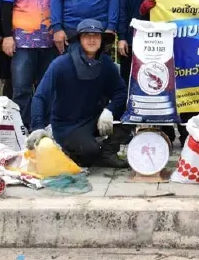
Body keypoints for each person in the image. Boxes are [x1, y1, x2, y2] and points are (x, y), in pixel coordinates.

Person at [31, 19, 129, 168]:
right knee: (89, 153)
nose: (92, 39)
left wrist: (110, 110)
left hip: (94, 119)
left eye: (96, 36)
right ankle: (71, 148)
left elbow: (121, 92)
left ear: (101, 40)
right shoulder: (60, 64)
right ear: (79, 39)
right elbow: (40, 96)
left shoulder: (106, 64)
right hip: (67, 126)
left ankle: (108, 152)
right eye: (87, 36)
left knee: (133, 112)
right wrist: (38, 126)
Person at [139, 0, 199, 145]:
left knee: (189, 88)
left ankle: (189, 131)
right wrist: (145, 9)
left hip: (190, 48)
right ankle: (166, 131)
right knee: (164, 86)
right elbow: (145, 17)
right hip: (163, 49)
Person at [0, 0, 57, 129]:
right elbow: (6, 5)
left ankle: (44, 128)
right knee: (22, 88)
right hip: (22, 41)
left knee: (46, 88)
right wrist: (7, 36)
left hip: (50, 41)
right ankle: (22, 129)